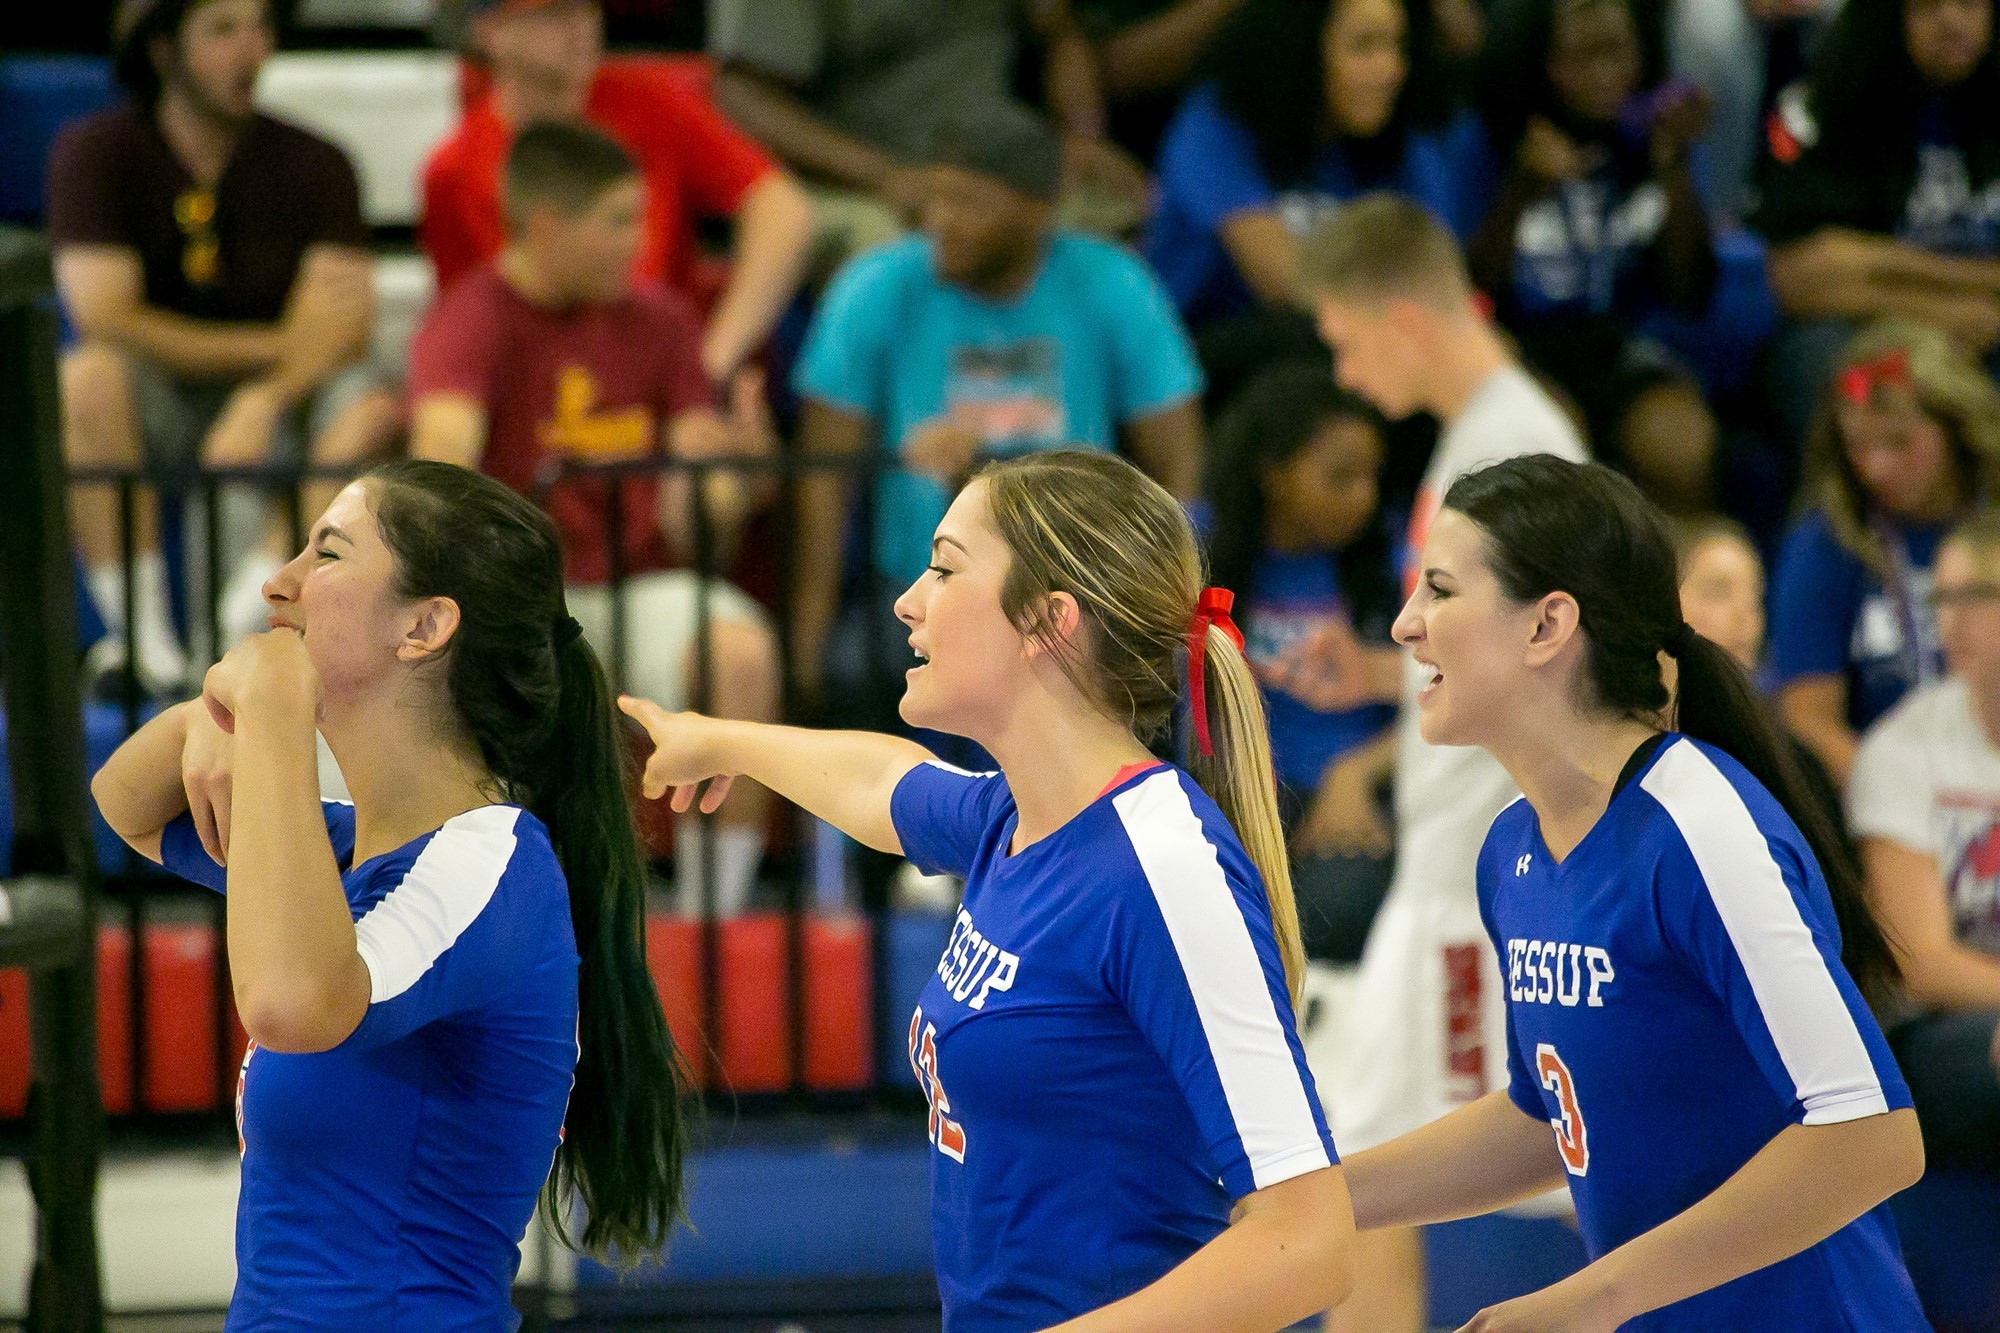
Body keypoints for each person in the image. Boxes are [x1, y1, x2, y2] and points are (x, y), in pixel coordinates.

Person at [622, 449, 1353, 1331]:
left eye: (944, 567)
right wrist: (721, 740)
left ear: (1047, 621)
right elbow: (879, 782)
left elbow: (1309, 1240)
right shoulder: (1014, 815)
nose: (907, 599)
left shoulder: (1162, 867)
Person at [88, 460, 691, 1324]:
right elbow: (124, 802)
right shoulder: (334, 842)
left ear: (423, 625)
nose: (279, 582)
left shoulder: (494, 863)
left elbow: (291, 1001)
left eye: (326, 553)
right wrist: (211, 714)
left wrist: (273, 718)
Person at [1340, 453, 1926, 1331]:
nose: (1404, 626)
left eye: (1440, 589)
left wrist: (1585, 1301)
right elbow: (1552, 1120)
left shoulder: (1699, 827)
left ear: (1547, 626)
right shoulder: (1511, 851)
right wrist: (1312, 1198)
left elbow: (1872, 1136)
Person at [1298, 193, 1587, 1333]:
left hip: (1479, 879)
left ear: (1403, 315)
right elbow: (1505, 656)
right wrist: (1382, 680)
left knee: (1565, 1166)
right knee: (1371, 1167)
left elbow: (1573, 660)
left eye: (1342, 338)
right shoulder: (1486, 439)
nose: (1344, 369)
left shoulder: (1512, 447)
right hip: (1456, 864)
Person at [408, 120, 782, 918]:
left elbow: (696, 515)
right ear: (547, 226)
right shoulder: (472, 320)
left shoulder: (663, 321)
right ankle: (509, 930)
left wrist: (729, 476)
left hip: (644, 579)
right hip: (523, 597)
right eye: (618, 221)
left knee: (739, 655)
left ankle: (711, 930)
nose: (637, 242)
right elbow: (442, 473)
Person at [790, 102, 1204, 714]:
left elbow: (1179, 461)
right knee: (852, 673)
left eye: (971, 203)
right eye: (935, 200)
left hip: (1081, 592)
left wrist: (1162, 609)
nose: (943, 222)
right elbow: (822, 480)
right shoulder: (875, 286)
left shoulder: (1113, 283)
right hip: (912, 594)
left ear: (1038, 209)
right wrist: (806, 649)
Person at [48, 0, 376, 692]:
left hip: (285, 400)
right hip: (161, 399)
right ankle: (142, 643)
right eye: (223, 30)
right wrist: (276, 348)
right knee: (86, 377)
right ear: (164, 49)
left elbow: (345, 325)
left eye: (260, 27)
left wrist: (263, 397)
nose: (252, 49)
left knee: (369, 402)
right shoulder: (96, 152)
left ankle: (253, 604)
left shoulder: (317, 161)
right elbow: (108, 317)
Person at [422, 0, 814, 387]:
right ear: (489, 29)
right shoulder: (454, 169)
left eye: (589, 8)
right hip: (540, 396)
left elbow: (781, 207)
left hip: (662, 383)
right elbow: (468, 324)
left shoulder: (652, 102)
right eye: (554, 13)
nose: (581, 28)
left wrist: (711, 360)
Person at [1466, 0, 1722, 514]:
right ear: (1543, 64)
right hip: (1521, 348)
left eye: (1617, 53)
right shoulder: (1492, 141)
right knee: (1550, 445)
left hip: (1619, 348)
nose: (1605, 75)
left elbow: (1691, 293)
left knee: (1683, 444)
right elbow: (1472, 292)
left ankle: (1684, 584)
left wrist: (1673, 171)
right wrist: (1521, 188)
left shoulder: (1654, 136)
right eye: (1580, 58)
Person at [1203, 362, 1401, 964]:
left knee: (1332, 911)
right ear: (1274, 474)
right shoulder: (1198, 554)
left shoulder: (1394, 565)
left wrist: (1357, 774)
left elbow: (1445, 697)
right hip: (1228, 796)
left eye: (1373, 477)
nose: (1363, 498)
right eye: (1341, 477)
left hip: (1356, 791)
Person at [708, 0, 1150, 263]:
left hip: (996, 157)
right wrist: (885, 176)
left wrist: (1083, 137)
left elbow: (1060, 33)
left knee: (1123, 212)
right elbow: (743, 95)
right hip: (850, 181)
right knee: (896, 253)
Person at [1754, 0, 2000, 448]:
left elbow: (1839, 263)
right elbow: (1798, 279)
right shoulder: (1824, 103)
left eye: (1968, 2)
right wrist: (1955, 304)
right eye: (1927, 6)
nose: (1951, 20)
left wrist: (1872, 263)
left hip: (1987, 329)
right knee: (1826, 366)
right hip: (1860, 332)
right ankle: (1841, 520)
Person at [1144, 0, 1478, 329]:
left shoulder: (1407, 135)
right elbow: (1283, 282)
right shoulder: (1221, 117)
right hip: (1205, 346)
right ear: (1301, 48)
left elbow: (1440, 278)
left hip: (1345, 341)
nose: (1390, 69)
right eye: (1364, 46)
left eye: (1398, 45)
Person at [1768, 318, 2000, 786]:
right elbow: (1809, 722)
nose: (1876, 468)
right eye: (1858, 446)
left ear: (1957, 426)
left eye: (1899, 441)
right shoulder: (1823, 545)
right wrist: (1905, 805)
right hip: (1891, 799)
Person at [1849, 509, 2000, 1181]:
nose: (1950, 622)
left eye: (1975, 597)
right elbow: (1921, 960)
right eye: (1940, 599)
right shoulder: (1904, 746)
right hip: (1933, 1035)